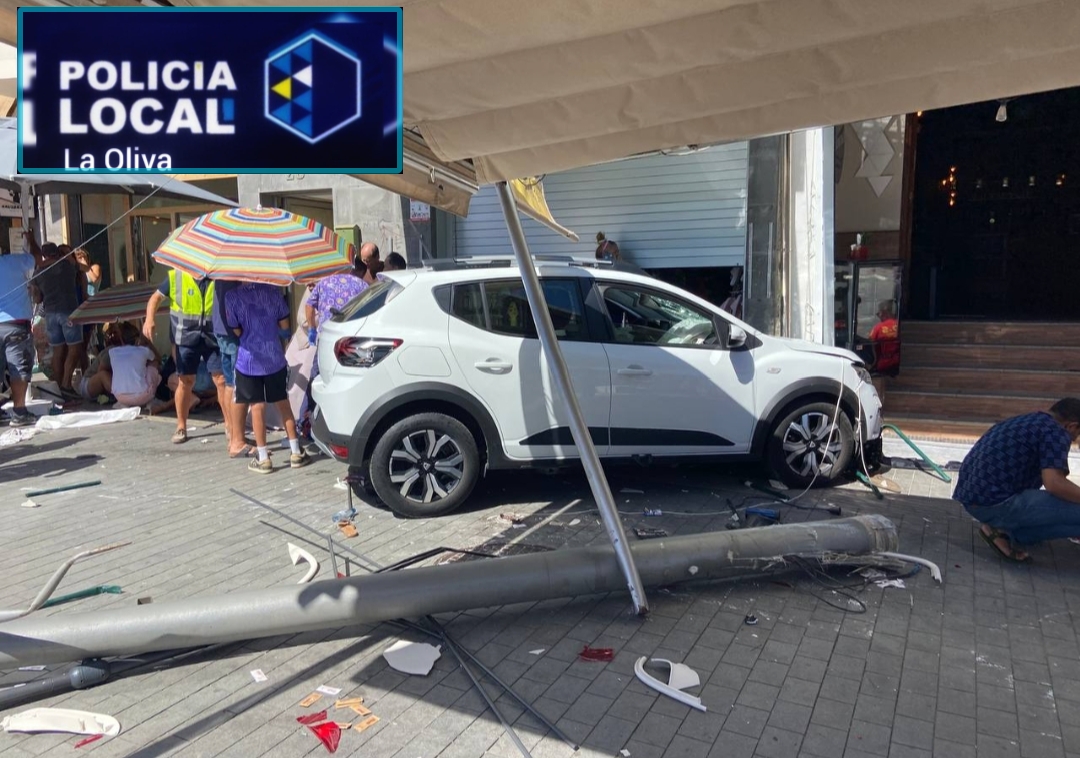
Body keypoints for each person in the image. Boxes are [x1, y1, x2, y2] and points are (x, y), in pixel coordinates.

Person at [953, 398, 1080, 563]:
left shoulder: (1029, 420)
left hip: (973, 498)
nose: (1075, 439)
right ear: (1072, 425)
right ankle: (996, 526)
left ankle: (1007, 533)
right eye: (1078, 433)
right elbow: (1054, 483)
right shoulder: (1057, 432)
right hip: (997, 502)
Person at [225, 281, 311, 473]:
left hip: (248, 360)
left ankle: (263, 457)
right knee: (283, 402)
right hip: (274, 357)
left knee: (256, 405)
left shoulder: (231, 297)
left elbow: (236, 330)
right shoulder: (274, 293)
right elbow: (284, 326)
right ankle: (296, 451)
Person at [143, 269, 223, 444]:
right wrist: (150, 319)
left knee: (221, 381)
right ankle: (181, 426)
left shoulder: (217, 276)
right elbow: (155, 298)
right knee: (185, 381)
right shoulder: (176, 276)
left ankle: (232, 429)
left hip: (212, 337)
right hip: (186, 338)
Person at [28, 238, 85, 397]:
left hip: (51, 314)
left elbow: (38, 299)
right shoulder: (67, 266)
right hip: (69, 312)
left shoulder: (38, 273)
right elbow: (76, 265)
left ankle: (58, 387)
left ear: (44, 255)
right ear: (57, 252)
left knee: (58, 350)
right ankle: (67, 384)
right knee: (74, 348)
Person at [209, 277, 257, 458]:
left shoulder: (221, 268)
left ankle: (233, 435)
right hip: (233, 332)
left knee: (230, 383)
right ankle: (237, 441)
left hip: (222, 330)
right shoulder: (234, 270)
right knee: (240, 384)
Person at [306, 256, 368, 380]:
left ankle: (314, 397)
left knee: (318, 375)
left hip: (327, 335)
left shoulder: (324, 282)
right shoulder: (362, 285)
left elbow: (309, 305)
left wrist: (311, 329)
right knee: (348, 375)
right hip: (351, 339)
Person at [77, 322, 160, 408]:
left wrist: (148, 343)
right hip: (89, 383)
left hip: (115, 386)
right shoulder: (112, 351)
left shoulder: (138, 350)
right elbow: (100, 371)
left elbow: (157, 360)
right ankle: (121, 396)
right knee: (103, 375)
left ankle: (128, 395)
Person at [0, 243, 38, 427]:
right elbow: (36, 259)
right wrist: (31, 240)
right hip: (15, 325)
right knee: (19, 368)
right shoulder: (15, 261)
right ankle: (20, 411)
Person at [868, 299, 900, 401]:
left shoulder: (878, 328)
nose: (878, 315)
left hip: (883, 363)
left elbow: (870, 342)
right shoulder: (899, 325)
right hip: (898, 361)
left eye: (879, 313)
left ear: (884, 312)